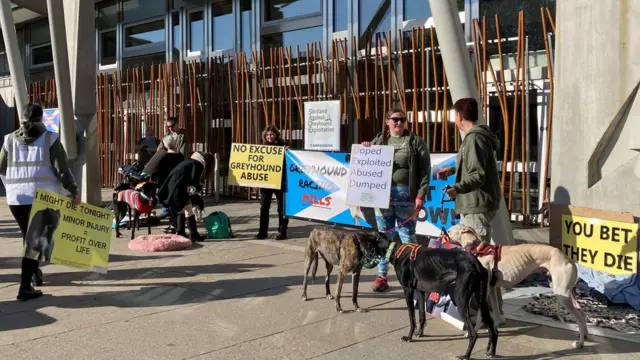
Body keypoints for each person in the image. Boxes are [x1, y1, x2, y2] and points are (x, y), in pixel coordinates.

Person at [0, 103, 81, 301]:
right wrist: (73, 190)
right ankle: (25, 286)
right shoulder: (50, 138)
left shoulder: (9, 139)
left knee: (30, 237)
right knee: (35, 241)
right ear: (42, 117)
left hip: (16, 198)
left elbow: (1, 167)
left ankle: (35, 274)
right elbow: (61, 169)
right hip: (43, 197)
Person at [362, 108, 431, 292]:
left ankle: (414, 277)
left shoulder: (415, 142)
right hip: (382, 199)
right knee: (384, 238)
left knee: (408, 238)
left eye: (402, 120)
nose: (399, 123)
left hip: (406, 199)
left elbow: (425, 170)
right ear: (387, 122)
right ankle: (382, 277)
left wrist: (420, 194)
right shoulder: (379, 141)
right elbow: (366, 162)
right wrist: (366, 148)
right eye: (395, 119)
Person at [437, 97, 501, 245]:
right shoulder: (475, 138)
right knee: (472, 256)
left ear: (459, 116)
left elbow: (478, 175)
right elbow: (475, 165)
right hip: (474, 205)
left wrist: (457, 188)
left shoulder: (474, 139)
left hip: (476, 205)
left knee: (476, 256)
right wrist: (452, 170)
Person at [157, 151, 213, 242]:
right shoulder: (198, 164)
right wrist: (198, 187)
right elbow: (193, 178)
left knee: (186, 209)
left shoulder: (190, 161)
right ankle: (188, 234)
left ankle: (184, 233)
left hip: (174, 187)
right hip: (178, 188)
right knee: (183, 209)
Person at [254, 125, 289, 240]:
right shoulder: (262, 148)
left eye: (272, 134)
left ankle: (282, 232)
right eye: (267, 135)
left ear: (276, 135)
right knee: (264, 208)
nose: (269, 137)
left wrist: (287, 152)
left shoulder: (284, 146)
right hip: (266, 183)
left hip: (280, 182)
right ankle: (262, 232)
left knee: (281, 208)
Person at [142, 137, 185, 230]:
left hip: (166, 185)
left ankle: (174, 225)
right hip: (179, 184)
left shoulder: (163, 158)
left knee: (169, 205)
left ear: (165, 145)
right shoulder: (181, 157)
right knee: (178, 207)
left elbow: (156, 173)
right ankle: (178, 227)